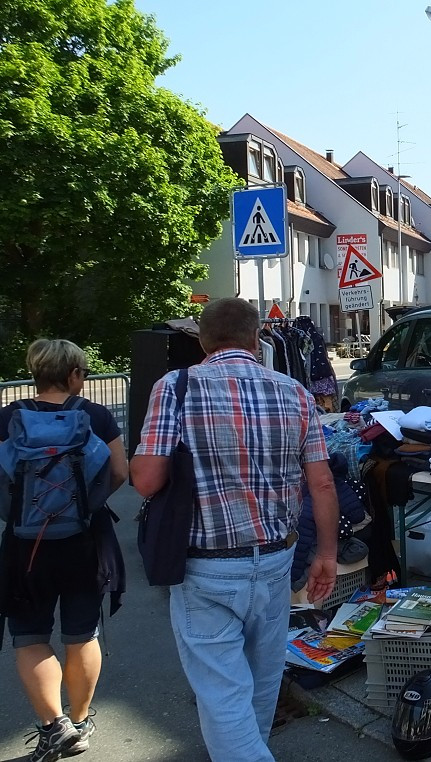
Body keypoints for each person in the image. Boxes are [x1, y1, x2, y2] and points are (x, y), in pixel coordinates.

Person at [130, 298, 340, 762]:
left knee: (223, 695)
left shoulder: (176, 387)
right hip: (275, 560)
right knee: (262, 682)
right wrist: (326, 552)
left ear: (201, 340)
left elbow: (146, 480)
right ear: (256, 336)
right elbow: (322, 481)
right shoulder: (294, 392)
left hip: (205, 568)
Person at [1, 339, 127, 762]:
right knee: (81, 633)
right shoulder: (95, 415)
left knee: (29, 636)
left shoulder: (7, 418)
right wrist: (88, 506)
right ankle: (80, 719)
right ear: (75, 375)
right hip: (84, 541)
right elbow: (120, 472)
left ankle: (56, 727)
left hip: (23, 545)